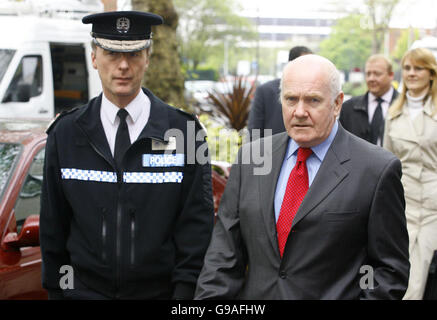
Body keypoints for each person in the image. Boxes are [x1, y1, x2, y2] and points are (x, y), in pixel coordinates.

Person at [195, 54, 410, 300]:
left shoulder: (376, 170)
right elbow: (223, 256)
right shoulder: (252, 159)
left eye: (313, 100)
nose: (299, 112)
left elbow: (388, 270)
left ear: (337, 103)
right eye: (290, 99)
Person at [40, 11, 214, 300]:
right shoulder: (65, 134)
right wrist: (63, 293)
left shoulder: (186, 133)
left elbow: (196, 230)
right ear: (94, 57)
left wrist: (182, 296)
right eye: (110, 53)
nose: (123, 66)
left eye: (134, 54)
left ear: (148, 57)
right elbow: (53, 231)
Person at [383, 47, 437, 300]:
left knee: (419, 278)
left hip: (433, 207)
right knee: (399, 270)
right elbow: (387, 162)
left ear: (431, 73)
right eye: (407, 68)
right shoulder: (393, 113)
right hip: (403, 205)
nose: (411, 73)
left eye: (418, 68)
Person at [247, 46, 312, 140]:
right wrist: (259, 154)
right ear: (291, 64)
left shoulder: (315, 91)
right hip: (271, 152)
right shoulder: (265, 91)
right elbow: (254, 131)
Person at [340, 54, 398, 146]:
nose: (371, 78)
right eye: (368, 74)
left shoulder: (404, 106)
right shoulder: (348, 108)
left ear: (391, 75)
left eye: (377, 74)